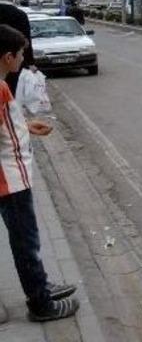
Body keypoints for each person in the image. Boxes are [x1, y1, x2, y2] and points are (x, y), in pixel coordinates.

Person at [0, 25, 79, 322]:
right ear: (8, 57)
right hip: (10, 181)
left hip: (11, 177)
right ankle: (40, 304)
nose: (23, 59)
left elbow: (5, 127)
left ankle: (40, 284)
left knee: (26, 241)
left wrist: (25, 128)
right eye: (20, 54)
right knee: (26, 243)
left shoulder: (3, 84)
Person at [0, 0, 36, 94]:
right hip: (14, 61)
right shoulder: (20, 15)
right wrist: (30, 62)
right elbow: (26, 40)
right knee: (12, 92)